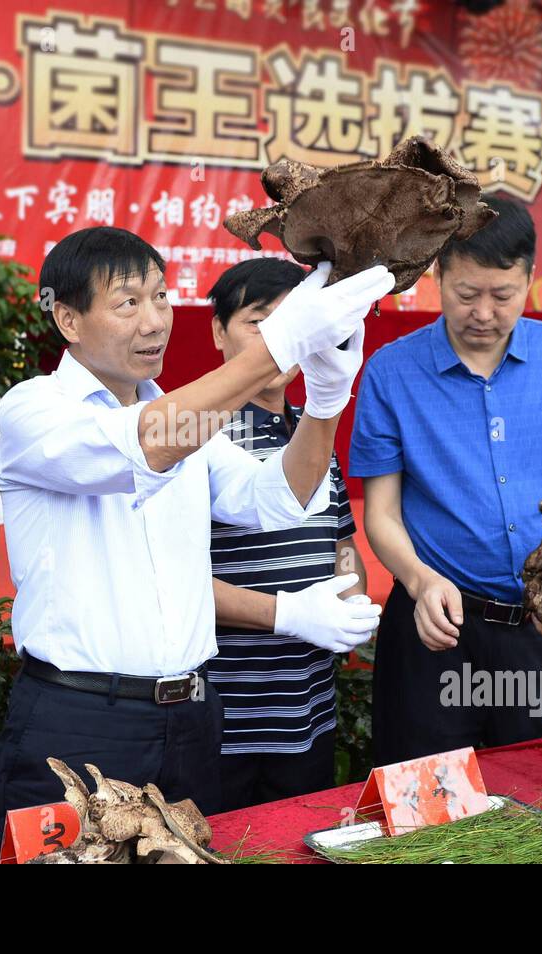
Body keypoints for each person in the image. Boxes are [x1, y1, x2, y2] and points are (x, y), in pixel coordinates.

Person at [0, 226, 392, 851]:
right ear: (67, 319)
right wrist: (278, 346)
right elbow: (150, 445)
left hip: (195, 716)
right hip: (84, 718)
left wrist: (326, 398)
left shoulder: (183, 416)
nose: (154, 321)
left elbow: (277, 499)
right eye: (127, 303)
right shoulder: (34, 408)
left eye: (161, 296)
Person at [350, 196, 542, 766]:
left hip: (541, 627)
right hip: (435, 626)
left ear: (530, 279)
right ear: (437, 276)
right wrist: (420, 582)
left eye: (504, 295)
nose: (484, 314)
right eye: (466, 294)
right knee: (427, 794)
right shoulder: (391, 372)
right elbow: (382, 514)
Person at [205, 258, 370, 812]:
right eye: (258, 321)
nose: (281, 338)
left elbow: (341, 541)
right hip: (223, 714)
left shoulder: (314, 425)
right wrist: (288, 611)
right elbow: (171, 578)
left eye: (293, 320)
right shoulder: (189, 430)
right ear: (216, 332)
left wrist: (349, 601)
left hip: (310, 709)